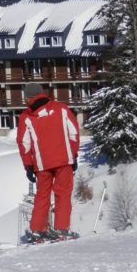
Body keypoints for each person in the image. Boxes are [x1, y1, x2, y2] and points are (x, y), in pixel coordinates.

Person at [16, 82, 80, 243]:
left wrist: (28, 165)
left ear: (28, 97)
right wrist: (73, 155)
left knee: (42, 196)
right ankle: (61, 229)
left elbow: (24, 143)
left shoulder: (26, 117)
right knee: (63, 194)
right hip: (64, 160)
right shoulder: (61, 108)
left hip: (41, 164)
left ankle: (37, 230)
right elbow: (73, 132)